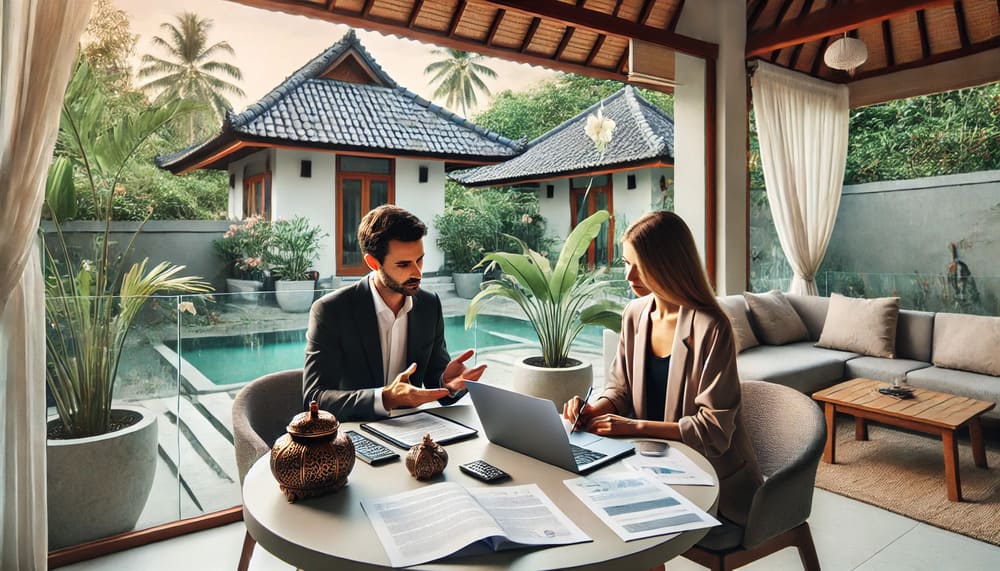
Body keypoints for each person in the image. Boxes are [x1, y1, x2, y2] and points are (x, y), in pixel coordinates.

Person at [563, 210, 762, 526]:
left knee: (616, 519)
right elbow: (621, 390)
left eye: (640, 268)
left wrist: (633, 427)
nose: (629, 277)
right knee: (579, 503)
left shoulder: (712, 327)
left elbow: (713, 431)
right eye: (627, 264)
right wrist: (594, 409)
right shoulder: (635, 313)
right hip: (647, 463)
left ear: (667, 266)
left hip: (708, 476)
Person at [303, 205, 486, 421]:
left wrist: (446, 383)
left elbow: (434, 377)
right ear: (373, 262)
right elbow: (314, 399)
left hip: (414, 431)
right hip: (353, 434)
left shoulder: (429, 305)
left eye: (419, 259)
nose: (417, 272)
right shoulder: (332, 310)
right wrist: (385, 398)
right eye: (403, 264)